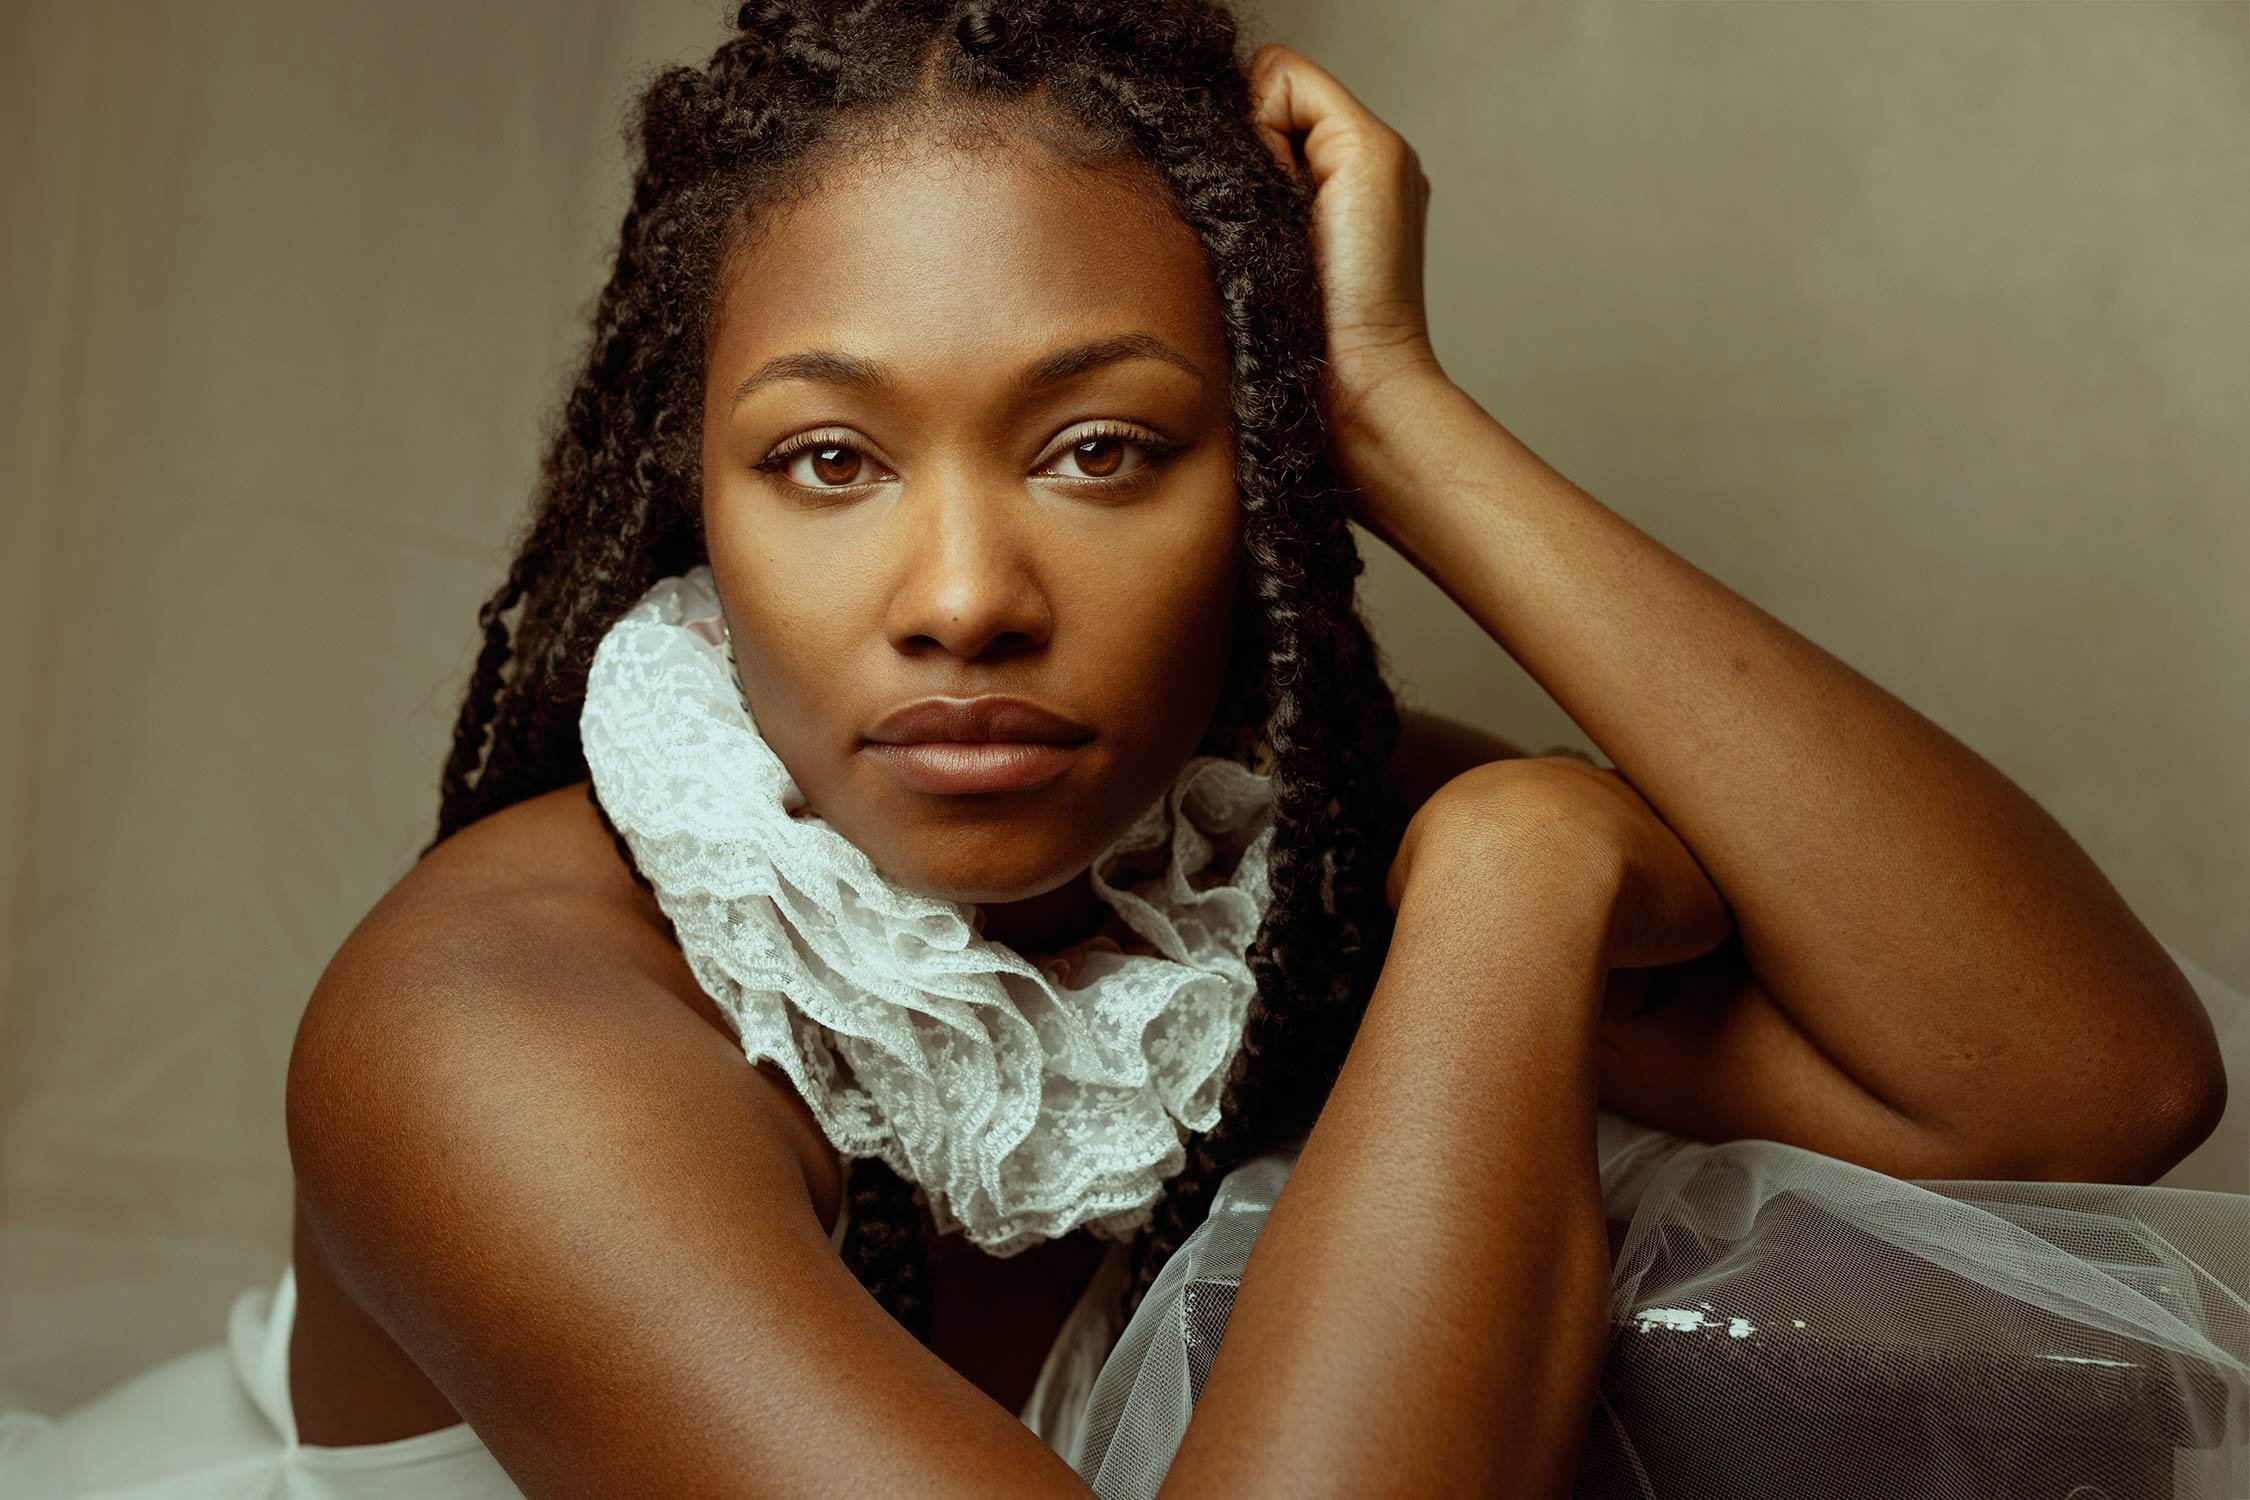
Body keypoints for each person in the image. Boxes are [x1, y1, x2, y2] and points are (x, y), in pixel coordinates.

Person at [3, 3, 2242, 1497]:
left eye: (1101, 448)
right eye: (826, 461)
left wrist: (1399, 421)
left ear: (1257, 479)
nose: (966, 595)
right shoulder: (482, 1037)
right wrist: (1520, 879)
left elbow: (2078, 1086)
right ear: (688, 497)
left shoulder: (1258, 847)